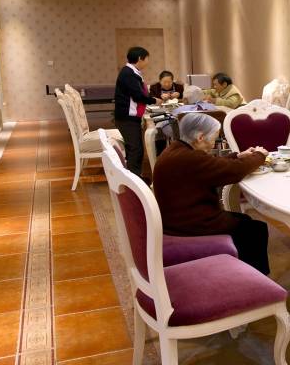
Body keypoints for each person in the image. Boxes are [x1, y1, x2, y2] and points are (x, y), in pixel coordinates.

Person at [153, 113, 271, 274]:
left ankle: (241, 269)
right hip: (189, 224)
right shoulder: (190, 158)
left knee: (245, 221)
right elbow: (235, 171)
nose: (214, 143)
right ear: (200, 137)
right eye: (214, 138)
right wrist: (259, 156)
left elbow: (212, 165)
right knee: (256, 230)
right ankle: (255, 277)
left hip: (177, 219)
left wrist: (237, 156)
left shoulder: (176, 150)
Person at [114, 46, 161, 177]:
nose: (148, 62)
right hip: (127, 118)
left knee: (135, 149)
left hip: (129, 117)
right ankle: (134, 181)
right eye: (147, 59)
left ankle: (134, 178)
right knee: (135, 150)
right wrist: (154, 100)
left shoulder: (131, 72)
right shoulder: (129, 73)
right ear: (140, 58)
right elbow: (138, 96)